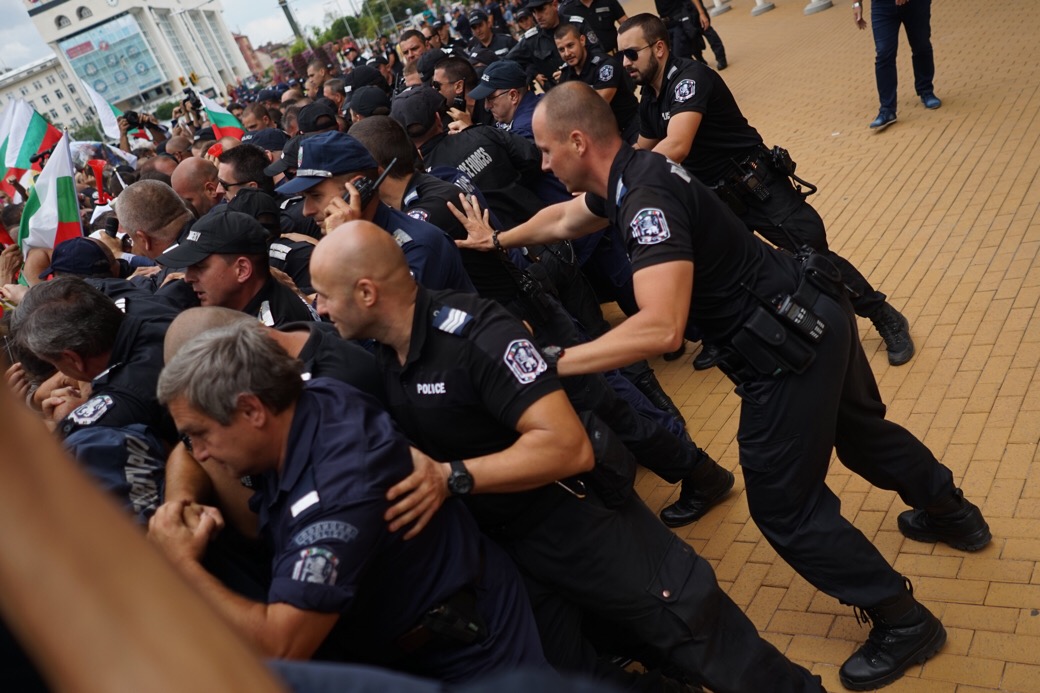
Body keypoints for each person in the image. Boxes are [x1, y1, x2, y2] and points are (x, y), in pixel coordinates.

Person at [454, 80, 994, 691]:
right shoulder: (632, 175)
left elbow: (661, 327)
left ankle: (903, 621)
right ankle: (952, 513)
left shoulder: (646, 202)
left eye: (548, 150)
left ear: (578, 142)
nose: (544, 164)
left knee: (784, 506)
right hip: (813, 312)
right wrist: (498, 239)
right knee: (862, 433)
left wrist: (556, 361)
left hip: (785, 349)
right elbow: (564, 218)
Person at [309, 220, 823, 693]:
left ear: (367, 292)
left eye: (325, 295)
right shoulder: (385, 356)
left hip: (583, 524)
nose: (319, 309)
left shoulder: (477, 336)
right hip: (517, 556)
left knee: (704, 637)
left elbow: (566, 446)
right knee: (590, 667)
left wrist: (451, 477)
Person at [150, 321, 548, 680]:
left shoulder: (339, 496)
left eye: (202, 434)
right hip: (403, 639)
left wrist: (180, 563)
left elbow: (281, 645)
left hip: (468, 650)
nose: (200, 451)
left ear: (251, 410)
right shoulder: (312, 397)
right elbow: (188, 453)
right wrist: (179, 503)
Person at [619, 13, 915, 367]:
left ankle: (884, 316)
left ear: (659, 48)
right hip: (719, 201)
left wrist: (624, 178)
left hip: (756, 185)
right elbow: (644, 146)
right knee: (732, 274)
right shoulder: (651, 98)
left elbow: (677, 145)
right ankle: (745, 340)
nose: (625, 63)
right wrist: (612, 172)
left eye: (631, 53)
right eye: (621, 55)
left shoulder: (689, 79)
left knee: (813, 258)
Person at [275, 129, 475, 294]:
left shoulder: (418, 246)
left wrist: (346, 246)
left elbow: (387, 317)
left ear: (357, 188)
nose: (306, 211)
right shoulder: (343, 232)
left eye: (316, 196)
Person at [155, 210, 319, 326]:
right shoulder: (253, 299)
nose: (187, 277)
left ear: (242, 270)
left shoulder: (276, 331)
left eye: (200, 266)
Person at [855, 0, 940, 130]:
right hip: (882, 5)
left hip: (915, 4)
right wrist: (856, 4)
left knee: (921, 45)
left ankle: (926, 91)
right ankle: (887, 109)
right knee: (884, 54)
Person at [555, 22, 638, 142]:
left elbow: (596, 107)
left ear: (582, 40)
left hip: (631, 129)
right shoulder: (565, 75)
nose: (567, 53)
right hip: (602, 136)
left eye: (570, 46)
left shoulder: (605, 65)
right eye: (561, 49)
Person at [468, 60, 540, 137]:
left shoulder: (524, 131)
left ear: (513, 96)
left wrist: (469, 132)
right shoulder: (539, 104)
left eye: (490, 98)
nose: (487, 106)